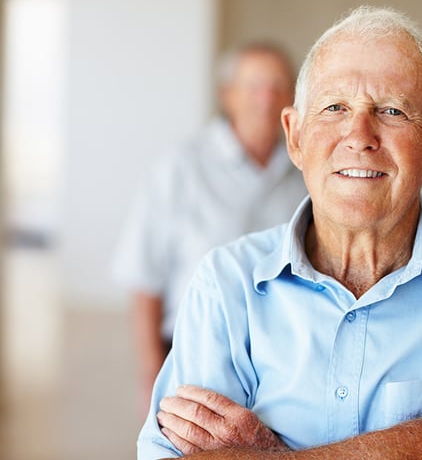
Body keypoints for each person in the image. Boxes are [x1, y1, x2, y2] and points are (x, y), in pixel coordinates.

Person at [136, 6, 422, 460]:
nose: (359, 136)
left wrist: (259, 453)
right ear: (296, 137)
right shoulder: (225, 283)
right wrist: (419, 446)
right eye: (334, 107)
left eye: (393, 111)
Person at [112, 42, 307, 413]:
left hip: (287, 359)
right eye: (253, 86)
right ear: (227, 95)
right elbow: (144, 279)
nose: (266, 99)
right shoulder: (180, 168)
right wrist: (152, 375)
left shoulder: (308, 170)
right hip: (195, 355)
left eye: (278, 86)